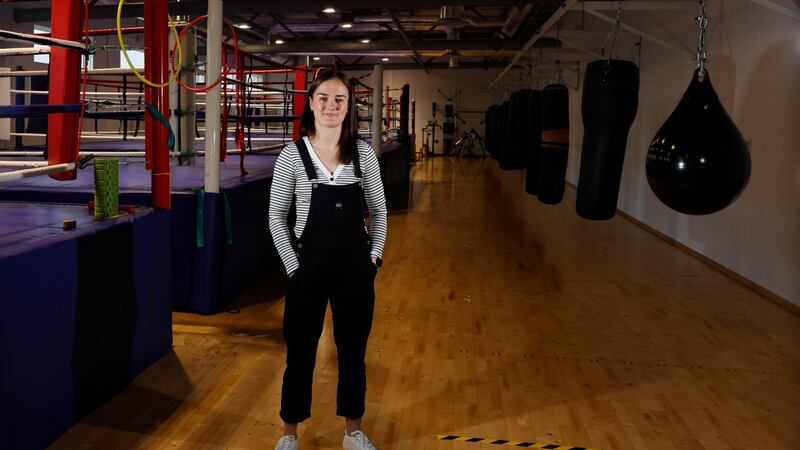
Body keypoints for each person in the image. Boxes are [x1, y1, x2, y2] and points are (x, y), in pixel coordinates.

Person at [268, 68, 387, 450]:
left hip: (355, 270)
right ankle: (289, 434)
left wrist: (374, 258)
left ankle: (353, 431)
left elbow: (379, 211)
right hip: (308, 269)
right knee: (300, 354)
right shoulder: (291, 156)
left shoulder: (363, 154)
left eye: (339, 99)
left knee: (353, 354)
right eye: (324, 98)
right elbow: (276, 216)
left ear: (349, 106)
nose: (331, 106)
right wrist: (293, 266)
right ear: (311, 103)